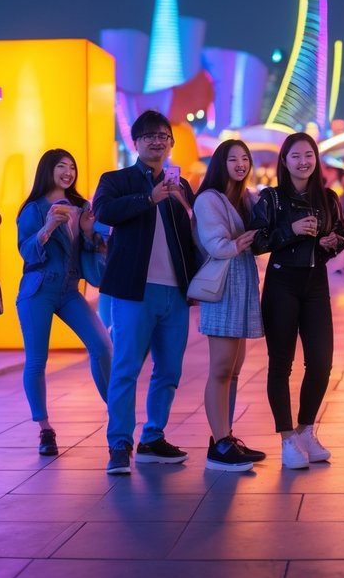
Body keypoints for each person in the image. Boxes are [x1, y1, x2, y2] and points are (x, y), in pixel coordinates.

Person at [94, 111, 201, 475]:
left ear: (171, 142)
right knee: (126, 368)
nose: (157, 141)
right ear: (135, 143)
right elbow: (103, 212)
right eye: (149, 136)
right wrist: (148, 197)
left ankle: (153, 437)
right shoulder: (117, 180)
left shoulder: (180, 185)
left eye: (163, 136)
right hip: (133, 290)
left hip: (175, 292)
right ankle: (119, 444)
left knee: (169, 370)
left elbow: (191, 234)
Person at [251, 133, 344, 470]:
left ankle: (306, 429)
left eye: (309, 155)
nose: (304, 161)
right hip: (281, 283)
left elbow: (342, 236)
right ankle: (287, 438)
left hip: (316, 284)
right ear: (285, 161)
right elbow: (258, 241)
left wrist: (333, 243)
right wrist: (291, 230)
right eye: (296, 156)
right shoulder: (271, 198)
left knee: (322, 362)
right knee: (281, 364)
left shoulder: (329, 198)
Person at [16, 149, 113, 457]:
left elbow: (94, 253)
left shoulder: (83, 206)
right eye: (61, 166)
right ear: (48, 170)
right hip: (38, 289)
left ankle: (118, 413)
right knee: (36, 360)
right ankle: (45, 429)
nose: (68, 172)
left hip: (71, 289)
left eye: (71, 166)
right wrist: (46, 229)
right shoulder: (33, 209)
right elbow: (27, 253)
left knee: (102, 346)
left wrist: (87, 232)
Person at [195, 139, 266, 471]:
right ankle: (219, 443)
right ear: (220, 163)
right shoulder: (209, 199)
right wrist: (239, 242)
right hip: (223, 286)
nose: (240, 164)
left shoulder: (246, 198)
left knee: (234, 369)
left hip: (242, 284)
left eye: (245, 159)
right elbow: (215, 243)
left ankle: (226, 437)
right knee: (221, 368)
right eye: (233, 158)